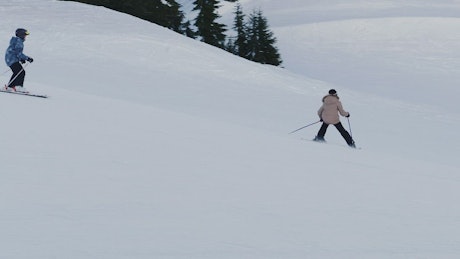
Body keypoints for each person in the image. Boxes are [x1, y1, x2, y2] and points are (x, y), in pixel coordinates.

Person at [4, 28, 34, 92]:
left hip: (9, 59)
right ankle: (18, 87)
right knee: (21, 72)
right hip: (12, 59)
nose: (25, 37)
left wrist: (21, 59)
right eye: (25, 35)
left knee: (17, 72)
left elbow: (15, 52)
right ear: (21, 35)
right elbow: (19, 53)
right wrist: (28, 58)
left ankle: (10, 86)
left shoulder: (16, 40)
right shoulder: (19, 42)